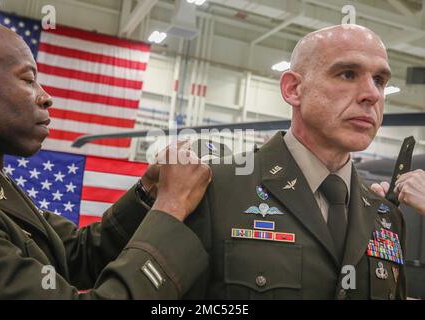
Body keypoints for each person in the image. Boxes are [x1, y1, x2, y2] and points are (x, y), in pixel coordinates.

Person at [128, 24, 407, 300]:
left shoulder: (386, 216)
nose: (372, 94)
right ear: (293, 89)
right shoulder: (212, 188)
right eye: (348, 74)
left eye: (380, 81)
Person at [0, 22, 212, 299]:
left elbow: (77, 253)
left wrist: (148, 191)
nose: (46, 97)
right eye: (28, 80)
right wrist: (170, 210)